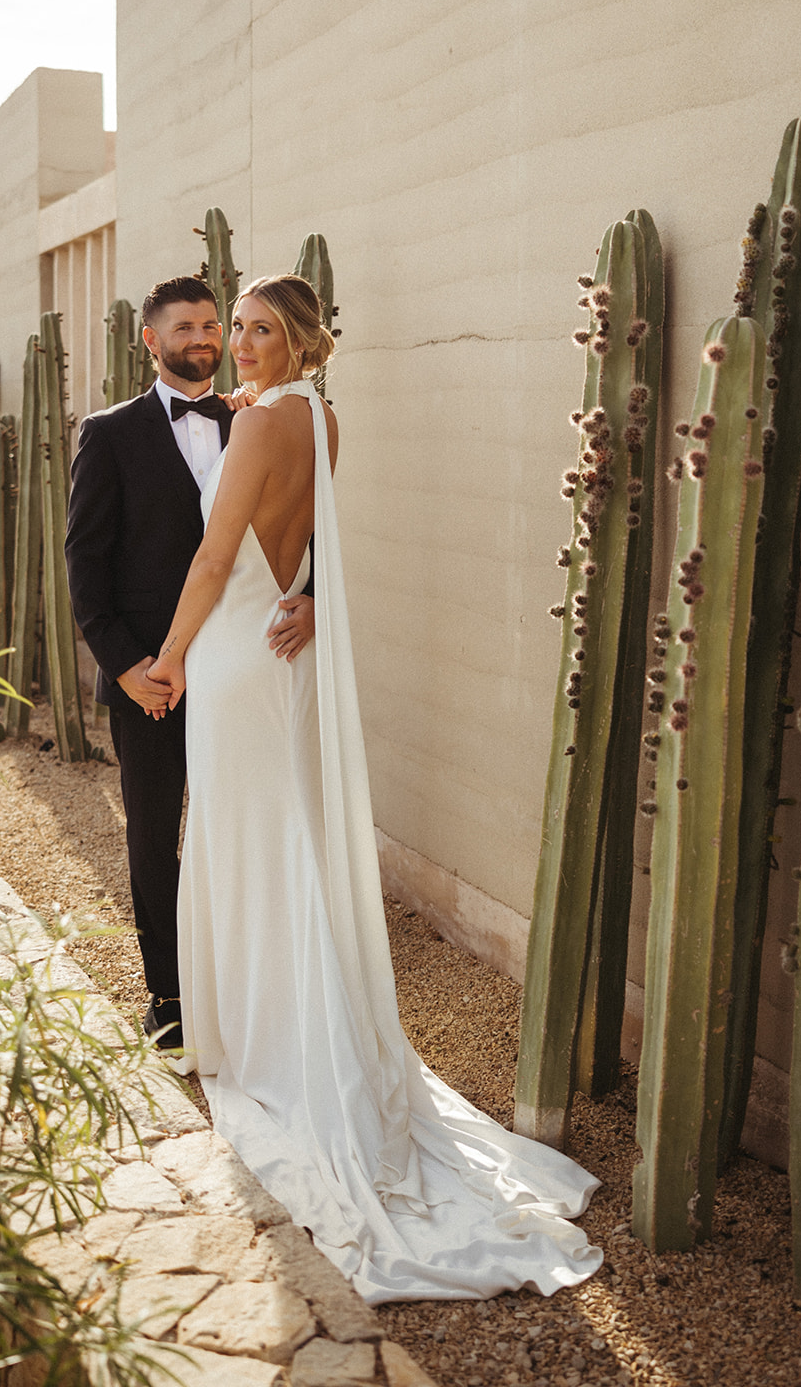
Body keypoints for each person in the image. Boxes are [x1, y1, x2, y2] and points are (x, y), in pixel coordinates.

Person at [147, 274, 602, 1305]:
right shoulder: (324, 418)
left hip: (232, 652)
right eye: (240, 329)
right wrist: (303, 597)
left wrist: (169, 656)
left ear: (300, 340)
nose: (244, 345)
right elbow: (309, 548)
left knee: (248, 840)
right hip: (283, 654)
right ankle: (286, 1026)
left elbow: (219, 558)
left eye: (262, 329)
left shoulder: (262, 421)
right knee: (277, 838)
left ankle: (272, 1042)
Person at [64, 275, 314, 1055]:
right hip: (153, 673)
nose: (206, 339)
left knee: (235, 822)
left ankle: (240, 983)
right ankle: (169, 996)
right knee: (154, 832)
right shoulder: (108, 434)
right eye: (187, 328)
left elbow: (308, 524)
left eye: (215, 324)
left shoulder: (256, 418)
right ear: (150, 339)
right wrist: (129, 664)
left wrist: (318, 598)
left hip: (241, 657)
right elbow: (85, 563)